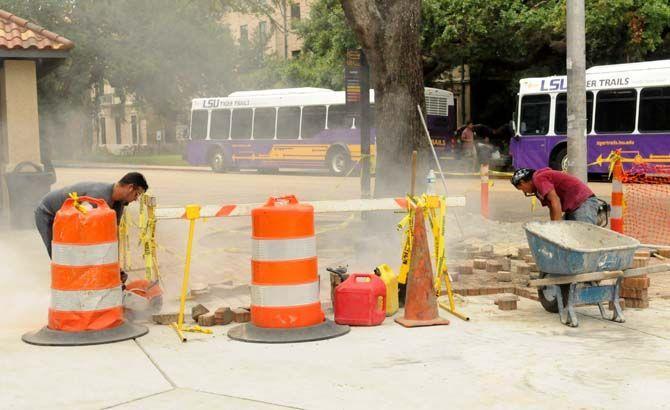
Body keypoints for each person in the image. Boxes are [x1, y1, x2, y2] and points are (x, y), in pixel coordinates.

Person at [34, 172, 149, 258]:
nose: (136, 199)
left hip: (67, 218)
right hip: (47, 213)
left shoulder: (119, 203)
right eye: (137, 194)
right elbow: (81, 227)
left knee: (76, 255)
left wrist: (114, 263)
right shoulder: (98, 196)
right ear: (130, 188)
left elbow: (114, 232)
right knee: (60, 255)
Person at [511, 167, 601, 224]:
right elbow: (552, 208)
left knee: (585, 237)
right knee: (570, 238)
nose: (524, 192)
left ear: (522, 183)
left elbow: (555, 201)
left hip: (583, 203)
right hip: (573, 207)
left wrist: (557, 228)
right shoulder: (538, 189)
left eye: (522, 189)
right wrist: (553, 226)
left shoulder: (538, 178)